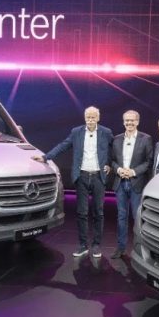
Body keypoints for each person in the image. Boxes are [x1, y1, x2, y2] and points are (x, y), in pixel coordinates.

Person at [32, 106, 113, 258]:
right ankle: (83, 245)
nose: (90, 120)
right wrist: (45, 157)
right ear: (85, 118)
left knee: (98, 212)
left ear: (98, 118)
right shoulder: (76, 132)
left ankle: (96, 245)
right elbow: (63, 145)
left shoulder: (106, 132)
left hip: (98, 177)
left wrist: (110, 164)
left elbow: (113, 149)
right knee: (82, 212)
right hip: (81, 176)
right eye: (88, 117)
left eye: (93, 117)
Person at [110, 110, 153, 259]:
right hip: (120, 183)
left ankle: (139, 249)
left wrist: (133, 172)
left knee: (137, 217)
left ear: (137, 122)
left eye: (132, 120)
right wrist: (119, 170)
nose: (129, 123)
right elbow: (112, 161)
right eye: (127, 120)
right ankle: (121, 248)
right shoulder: (116, 139)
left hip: (137, 183)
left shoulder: (146, 139)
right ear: (123, 122)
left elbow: (148, 161)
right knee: (121, 217)